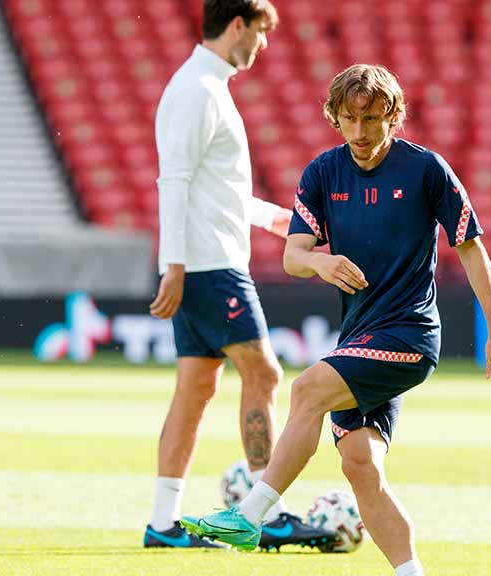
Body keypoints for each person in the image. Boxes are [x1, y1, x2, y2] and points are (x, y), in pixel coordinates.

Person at [180, 64, 491, 576]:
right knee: (361, 465)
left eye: (371, 119)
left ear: (394, 115)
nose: (360, 133)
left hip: (410, 334)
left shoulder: (426, 169)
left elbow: (471, 249)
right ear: (335, 118)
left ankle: (250, 516)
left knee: (306, 390)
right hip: (359, 338)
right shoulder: (324, 172)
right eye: (349, 119)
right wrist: (321, 260)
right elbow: (293, 256)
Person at [145, 0, 333, 550]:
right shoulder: (197, 91)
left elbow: (215, 187)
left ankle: (162, 522)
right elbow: (173, 181)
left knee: (197, 388)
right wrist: (172, 266)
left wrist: (275, 220)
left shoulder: (205, 87)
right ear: (236, 27)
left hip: (208, 259)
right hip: (210, 266)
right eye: (260, 32)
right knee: (265, 373)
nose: (264, 44)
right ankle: (263, 512)